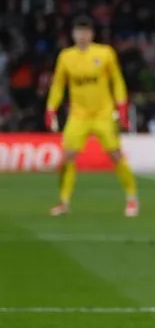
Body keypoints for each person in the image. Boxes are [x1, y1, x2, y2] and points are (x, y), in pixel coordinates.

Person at [45, 15, 138, 217]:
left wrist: (121, 106)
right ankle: (64, 202)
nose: (82, 36)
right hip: (78, 115)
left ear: (92, 34)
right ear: (72, 34)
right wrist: (51, 108)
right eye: (78, 32)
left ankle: (131, 198)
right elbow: (58, 85)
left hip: (103, 113)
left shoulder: (105, 53)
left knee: (115, 155)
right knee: (67, 157)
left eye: (85, 32)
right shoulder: (66, 57)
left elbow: (117, 80)